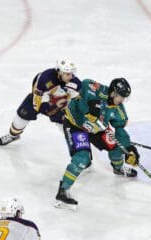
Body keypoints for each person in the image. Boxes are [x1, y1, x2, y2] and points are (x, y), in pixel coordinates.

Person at [54, 77, 140, 210]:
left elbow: (120, 131)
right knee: (82, 158)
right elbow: (85, 84)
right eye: (121, 97)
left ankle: (118, 168)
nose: (122, 101)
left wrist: (129, 148)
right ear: (113, 93)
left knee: (116, 147)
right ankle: (63, 191)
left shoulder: (119, 110)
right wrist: (88, 108)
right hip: (76, 125)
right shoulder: (97, 90)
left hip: (97, 129)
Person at [0, 58, 82, 146]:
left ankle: (78, 145)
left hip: (58, 105)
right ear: (59, 72)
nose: (71, 77)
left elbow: (82, 95)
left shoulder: (74, 81)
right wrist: (49, 108)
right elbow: (37, 98)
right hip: (38, 101)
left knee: (66, 125)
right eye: (68, 74)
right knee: (20, 118)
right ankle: (13, 136)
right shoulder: (45, 78)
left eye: (72, 74)